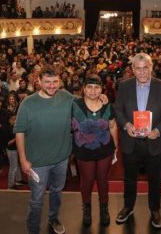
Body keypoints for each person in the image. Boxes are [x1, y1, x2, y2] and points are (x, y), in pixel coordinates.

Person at [114, 53, 161, 229]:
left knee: (155, 181)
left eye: (145, 68)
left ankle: (155, 210)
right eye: (138, 68)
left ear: (151, 67)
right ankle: (128, 207)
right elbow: (117, 110)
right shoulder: (124, 86)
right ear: (132, 69)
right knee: (129, 179)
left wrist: (158, 130)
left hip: (155, 143)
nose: (142, 72)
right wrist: (126, 124)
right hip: (131, 142)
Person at [14, 70, 74, 234]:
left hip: (61, 159)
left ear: (60, 80)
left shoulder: (66, 96)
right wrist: (23, 160)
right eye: (47, 82)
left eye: (55, 81)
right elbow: (19, 132)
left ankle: (53, 218)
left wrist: (101, 98)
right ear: (38, 81)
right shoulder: (28, 103)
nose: (52, 86)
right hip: (37, 163)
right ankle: (33, 230)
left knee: (57, 192)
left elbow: (86, 103)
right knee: (36, 200)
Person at [71, 74, 118, 227]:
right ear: (83, 89)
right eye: (89, 87)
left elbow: (113, 126)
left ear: (101, 89)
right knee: (87, 180)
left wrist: (115, 148)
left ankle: (104, 208)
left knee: (103, 180)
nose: (93, 91)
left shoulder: (107, 105)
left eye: (96, 87)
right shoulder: (74, 104)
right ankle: (87, 208)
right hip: (83, 150)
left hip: (105, 149)